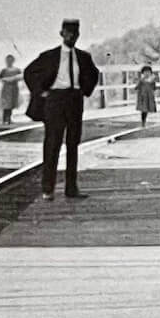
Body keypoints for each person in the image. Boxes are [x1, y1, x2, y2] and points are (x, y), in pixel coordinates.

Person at [23, 19, 101, 201]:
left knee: (73, 144)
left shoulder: (83, 57)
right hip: (55, 100)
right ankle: (48, 189)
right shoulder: (49, 56)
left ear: (78, 35)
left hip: (74, 100)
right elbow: (29, 72)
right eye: (68, 33)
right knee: (52, 143)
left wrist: (84, 90)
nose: (72, 37)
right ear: (62, 34)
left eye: (75, 34)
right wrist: (40, 91)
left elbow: (94, 74)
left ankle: (71, 189)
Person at [0, 54, 22, 127]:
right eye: (8, 60)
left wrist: (15, 79)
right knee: (6, 104)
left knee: (12, 104)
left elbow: (21, 77)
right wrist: (7, 80)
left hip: (14, 88)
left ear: (13, 61)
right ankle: (5, 120)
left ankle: (9, 119)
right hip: (6, 89)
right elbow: (0, 78)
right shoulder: (4, 70)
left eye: (11, 60)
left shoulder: (17, 70)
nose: (9, 62)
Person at [134, 63, 158, 128]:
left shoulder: (152, 81)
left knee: (147, 109)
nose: (147, 73)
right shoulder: (141, 80)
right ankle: (143, 122)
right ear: (143, 73)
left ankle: (144, 121)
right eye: (145, 72)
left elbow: (154, 88)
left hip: (149, 97)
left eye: (148, 72)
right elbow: (136, 87)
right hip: (143, 97)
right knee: (144, 110)